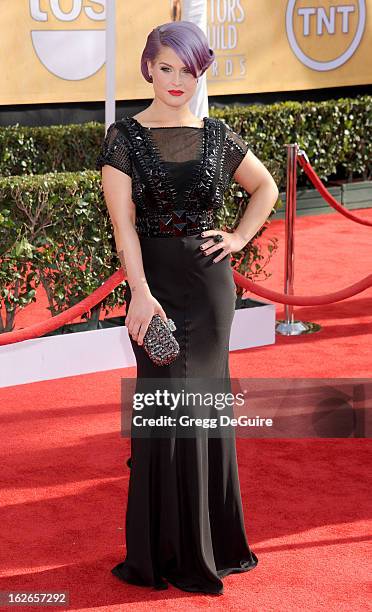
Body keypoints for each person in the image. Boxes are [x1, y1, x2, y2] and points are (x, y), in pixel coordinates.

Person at [96, 21, 279, 595]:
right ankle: (165, 551)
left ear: (202, 72)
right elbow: (123, 227)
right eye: (167, 67)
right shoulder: (123, 137)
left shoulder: (217, 135)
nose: (177, 80)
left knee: (204, 407)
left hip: (209, 287)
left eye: (189, 68)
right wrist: (140, 291)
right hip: (154, 286)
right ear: (148, 68)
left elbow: (266, 187)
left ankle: (212, 547)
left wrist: (240, 238)